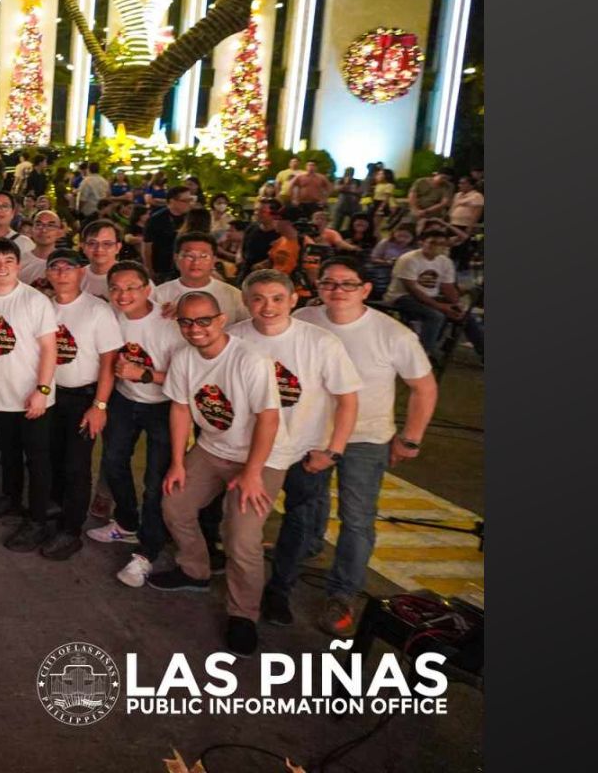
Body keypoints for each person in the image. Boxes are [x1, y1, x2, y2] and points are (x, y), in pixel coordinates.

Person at [285, 255, 439, 637]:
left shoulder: (393, 334)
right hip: (312, 433)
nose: (337, 291)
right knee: (306, 502)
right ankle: (304, 549)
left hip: (366, 437)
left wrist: (411, 438)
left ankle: (342, 592)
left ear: (366, 290)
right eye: (329, 283)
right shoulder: (304, 318)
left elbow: (424, 387)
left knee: (356, 517)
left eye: (347, 284)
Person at [217, 269, 365, 629]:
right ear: (245, 301)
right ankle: (241, 593)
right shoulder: (232, 338)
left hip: (304, 451)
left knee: (298, 522)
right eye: (258, 299)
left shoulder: (320, 342)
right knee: (244, 528)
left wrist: (332, 450)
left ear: (293, 300)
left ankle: (280, 588)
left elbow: (347, 400)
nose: (267, 307)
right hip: (251, 453)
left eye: (277, 298)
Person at [148, 290, 285, 658]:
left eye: (203, 320)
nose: (195, 329)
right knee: (175, 503)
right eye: (186, 322)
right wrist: (178, 462)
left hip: (260, 457)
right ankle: (195, 570)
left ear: (221, 320)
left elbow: (269, 419)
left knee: (241, 537)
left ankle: (244, 614)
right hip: (211, 448)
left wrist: (253, 472)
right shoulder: (184, 358)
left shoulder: (249, 359)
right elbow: (179, 409)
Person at [7, 250, 121, 560]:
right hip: (48, 394)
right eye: (54, 267)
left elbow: (109, 362)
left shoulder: (97, 310)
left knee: (76, 465)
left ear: (81, 272)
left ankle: (71, 530)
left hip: (83, 396)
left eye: (68, 267)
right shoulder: (42, 306)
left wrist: (99, 404)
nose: (61, 273)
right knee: (45, 460)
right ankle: (46, 516)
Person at [88, 261, 191, 586]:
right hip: (123, 400)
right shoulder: (110, 315)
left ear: (148, 289)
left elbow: (189, 377)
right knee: (114, 462)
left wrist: (144, 374)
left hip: (164, 406)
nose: (123, 294)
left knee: (155, 482)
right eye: (116, 288)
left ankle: (148, 550)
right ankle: (127, 523)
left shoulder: (170, 322)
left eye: (132, 287)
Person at [0, 237, 59, 519]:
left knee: (37, 459)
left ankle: (37, 518)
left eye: (9, 261)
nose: (2, 267)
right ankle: (10, 498)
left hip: (33, 395)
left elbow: (49, 348)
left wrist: (42, 390)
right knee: (8, 453)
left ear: (19, 266)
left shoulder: (35, 300)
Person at [391, 227, 481, 362]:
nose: (437, 247)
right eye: (433, 242)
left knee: (465, 316)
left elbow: (447, 286)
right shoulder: (409, 259)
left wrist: (457, 305)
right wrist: (441, 307)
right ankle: (422, 355)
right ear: (422, 242)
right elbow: (412, 289)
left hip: (430, 297)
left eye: (441, 244)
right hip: (402, 297)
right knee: (435, 316)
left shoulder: (445, 261)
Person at [152, 232, 251, 323]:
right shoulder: (158, 294)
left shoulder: (234, 296)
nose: (196, 262)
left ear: (214, 260)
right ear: (176, 258)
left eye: (204, 256)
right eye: (189, 256)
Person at [141, 186, 194, 282]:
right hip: (162, 267)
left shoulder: (191, 218)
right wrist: (149, 269)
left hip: (187, 267)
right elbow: (147, 246)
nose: (189, 203)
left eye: (190, 200)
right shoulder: (156, 219)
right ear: (172, 201)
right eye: (185, 200)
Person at [15, 211, 67, 291]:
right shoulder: (19, 261)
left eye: (50, 225)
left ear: (59, 232)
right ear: (32, 230)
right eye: (38, 225)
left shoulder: (67, 264)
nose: (44, 230)